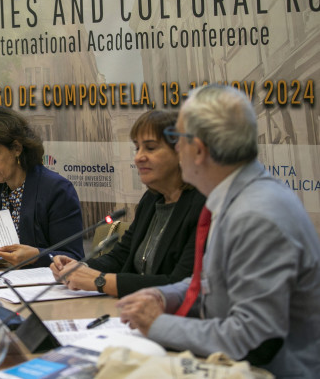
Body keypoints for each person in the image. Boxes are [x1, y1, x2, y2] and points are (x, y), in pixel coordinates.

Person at [117, 85, 320, 377]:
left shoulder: (255, 215)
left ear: (198, 150)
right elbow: (213, 283)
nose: (175, 149)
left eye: (177, 139)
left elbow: (253, 340)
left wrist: (158, 324)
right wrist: (163, 296)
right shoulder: (237, 197)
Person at [50, 110, 205, 297]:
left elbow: (180, 284)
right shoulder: (151, 199)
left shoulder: (203, 205)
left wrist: (100, 281)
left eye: (150, 148)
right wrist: (79, 267)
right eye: (137, 148)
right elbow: (121, 256)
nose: (138, 157)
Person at [0, 106, 84, 267]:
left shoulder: (57, 189)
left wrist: (37, 255)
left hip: (44, 286)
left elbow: (74, 257)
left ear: (16, 148)